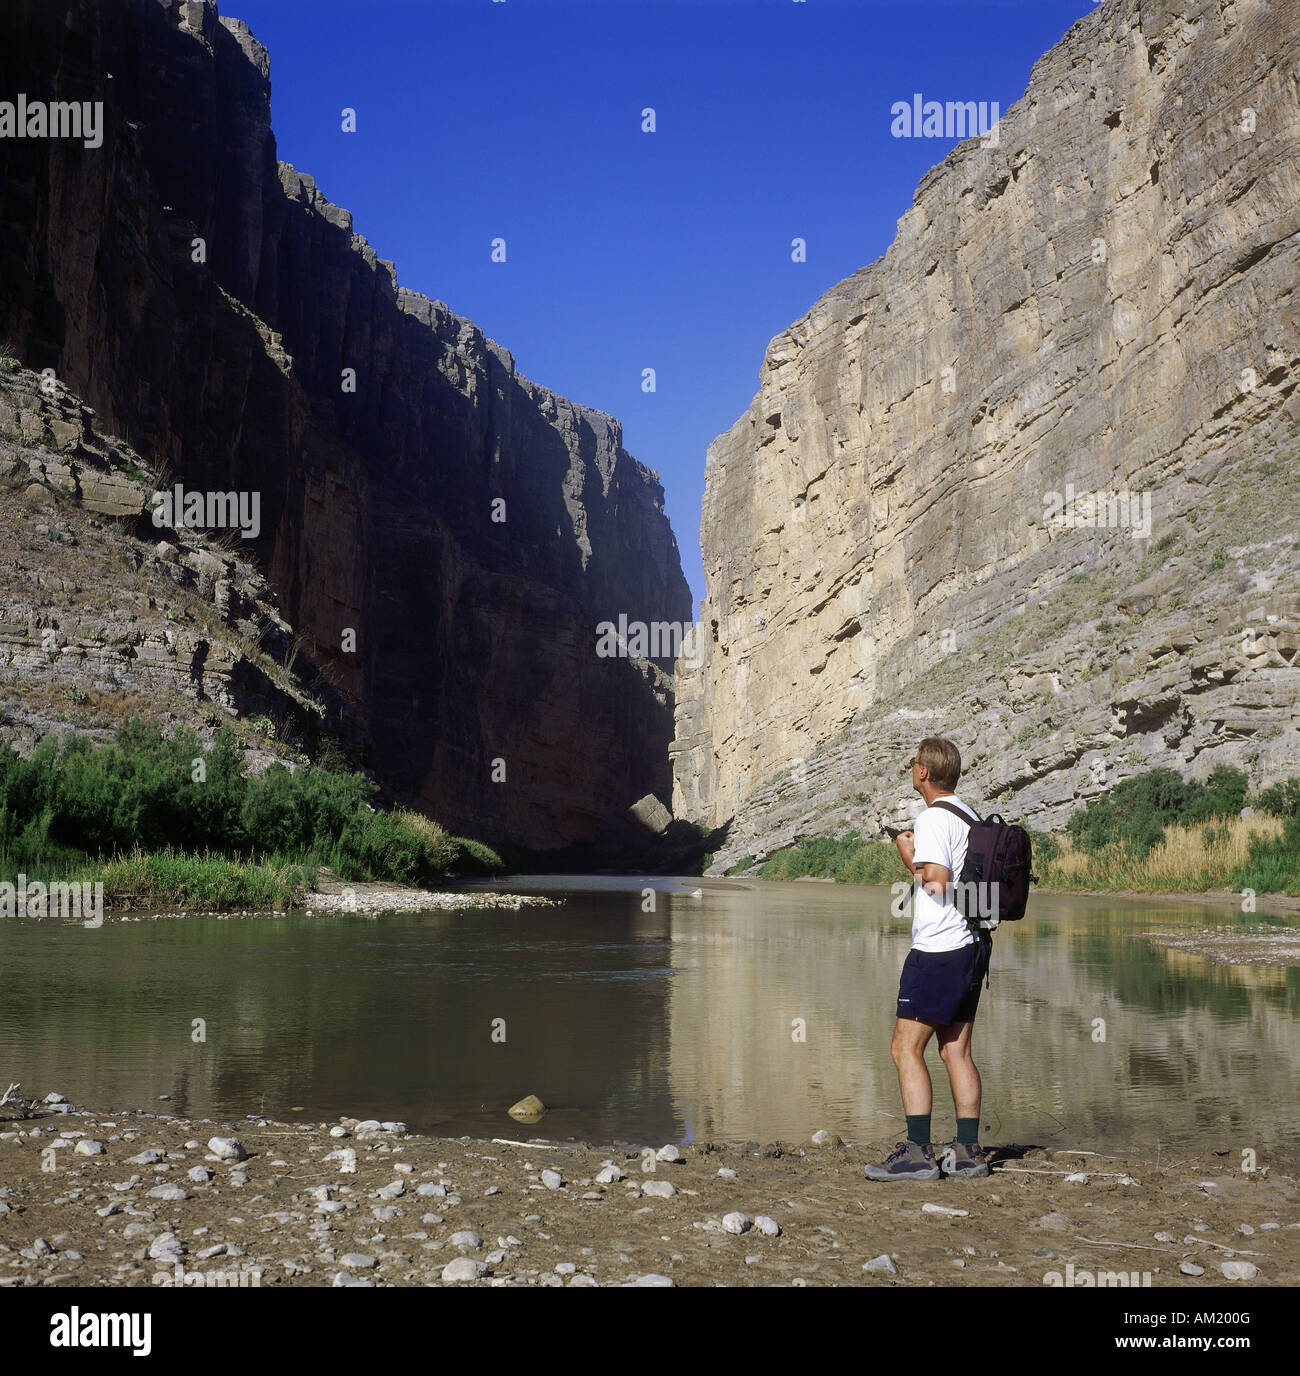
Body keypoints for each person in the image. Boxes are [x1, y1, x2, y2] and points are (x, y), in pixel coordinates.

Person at [862, 736, 992, 1181]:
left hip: (939, 950)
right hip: (973, 946)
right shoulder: (969, 814)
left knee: (904, 1048)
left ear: (924, 771)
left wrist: (909, 858)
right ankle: (968, 1152)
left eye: (913, 762)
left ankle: (918, 1153)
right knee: (956, 1050)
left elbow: (935, 881)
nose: (910, 768)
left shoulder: (935, 818)